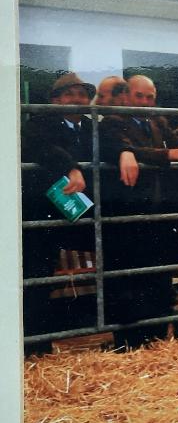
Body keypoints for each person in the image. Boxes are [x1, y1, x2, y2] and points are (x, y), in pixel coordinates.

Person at [99, 74, 178, 349]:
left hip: (155, 213)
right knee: (127, 280)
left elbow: (174, 145)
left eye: (150, 97)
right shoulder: (112, 122)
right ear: (125, 97)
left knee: (157, 277)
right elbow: (119, 146)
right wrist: (166, 154)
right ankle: (127, 343)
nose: (146, 102)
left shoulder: (157, 121)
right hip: (126, 215)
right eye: (139, 96)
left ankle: (155, 338)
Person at [21, 72, 97, 351]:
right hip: (45, 213)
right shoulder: (39, 122)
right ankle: (34, 347)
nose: (77, 99)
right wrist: (71, 167)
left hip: (83, 213)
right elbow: (42, 148)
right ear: (55, 100)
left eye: (82, 94)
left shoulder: (92, 126)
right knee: (38, 276)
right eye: (70, 94)